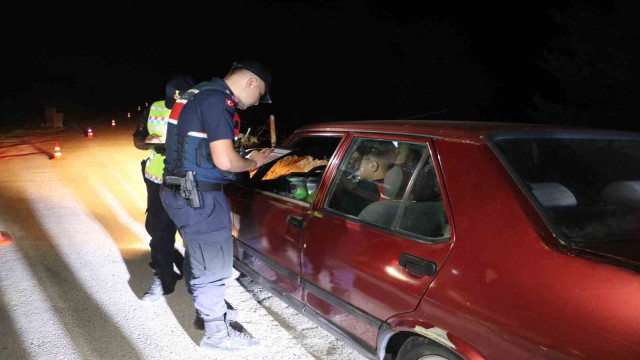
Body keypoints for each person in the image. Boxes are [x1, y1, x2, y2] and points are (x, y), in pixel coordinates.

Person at [160, 60, 275, 352]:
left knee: (199, 256)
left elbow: (200, 148)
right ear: (251, 82)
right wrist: (254, 161)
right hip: (199, 196)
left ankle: (208, 310)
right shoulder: (217, 100)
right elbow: (225, 161)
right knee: (213, 268)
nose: (255, 103)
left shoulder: (199, 92)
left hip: (180, 190)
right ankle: (217, 335)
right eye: (260, 94)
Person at [133, 75, 195, 302]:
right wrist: (147, 139)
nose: (175, 106)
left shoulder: (201, 110)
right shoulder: (155, 109)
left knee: (193, 233)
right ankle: (163, 277)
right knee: (159, 230)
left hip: (190, 179)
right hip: (157, 177)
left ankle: (201, 286)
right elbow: (137, 140)